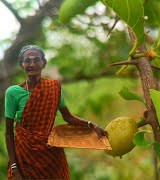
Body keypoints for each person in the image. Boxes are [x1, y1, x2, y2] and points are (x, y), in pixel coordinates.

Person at [5, 45, 107, 179]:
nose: (32, 64)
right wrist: (14, 167)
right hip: (24, 156)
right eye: (27, 60)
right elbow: (8, 133)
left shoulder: (54, 88)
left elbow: (68, 117)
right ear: (21, 65)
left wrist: (92, 125)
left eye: (36, 60)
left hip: (51, 156)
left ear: (44, 63)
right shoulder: (13, 93)